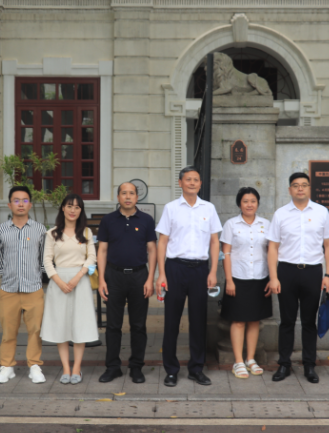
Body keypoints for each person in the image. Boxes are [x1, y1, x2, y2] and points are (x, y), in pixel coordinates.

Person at [155, 166, 223, 387]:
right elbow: (162, 242)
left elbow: (215, 241)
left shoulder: (209, 208)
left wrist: (213, 271)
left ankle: (196, 369)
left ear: (200, 184)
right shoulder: (171, 208)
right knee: (171, 321)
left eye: (196, 179)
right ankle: (171, 370)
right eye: (188, 179)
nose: (192, 183)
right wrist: (161, 274)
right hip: (175, 268)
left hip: (200, 270)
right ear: (180, 183)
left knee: (198, 321)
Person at [266, 172, 329, 384]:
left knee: (309, 321)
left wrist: (328, 274)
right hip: (286, 271)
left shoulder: (322, 212)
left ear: (309, 188)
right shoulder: (280, 214)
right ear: (290, 189)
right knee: (286, 321)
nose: (300, 188)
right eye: (296, 185)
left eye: (304, 185)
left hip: (312, 272)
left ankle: (309, 365)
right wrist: (273, 277)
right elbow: (273, 247)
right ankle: (284, 364)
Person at [96, 182, 158, 384]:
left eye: (132, 193)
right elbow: (102, 251)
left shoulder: (147, 220)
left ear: (137, 197)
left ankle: (136, 367)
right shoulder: (108, 220)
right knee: (113, 325)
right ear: (118, 197)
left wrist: (150, 278)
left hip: (139, 276)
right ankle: (112, 367)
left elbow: (152, 250)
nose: (128, 196)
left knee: (138, 325)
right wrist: (101, 279)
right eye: (124, 193)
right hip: (114, 276)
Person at [41, 193, 99, 385]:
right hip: (58, 282)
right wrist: (58, 281)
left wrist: (77, 277)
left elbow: (92, 258)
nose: (73, 210)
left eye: (77, 207)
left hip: (80, 281)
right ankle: (66, 368)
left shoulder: (86, 233)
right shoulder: (52, 234)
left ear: (81, 210)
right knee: (61, 325)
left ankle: (76, 368)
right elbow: (47, 261)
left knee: (79, 324)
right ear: (63, 208)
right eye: (69, 206)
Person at [0, 186, 47, 384]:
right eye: (16, 200)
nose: (21, 204)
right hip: (9, 289)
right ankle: (7, 366)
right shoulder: (1, 230)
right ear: (10, 205)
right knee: (8, 331)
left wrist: (38, 276)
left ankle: (34, 365)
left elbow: (43, 258)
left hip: (33, 288)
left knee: (35, 330)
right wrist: (5, 276)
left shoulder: (39, 229)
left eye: (25, 200)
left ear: (30, 204)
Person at [220, 187, 273, 379]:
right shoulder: (231, 224)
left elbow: (272, 252)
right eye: (245, 201)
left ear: (257, 203)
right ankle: (238, 361)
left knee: (254, 320)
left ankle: (250, 359)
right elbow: (225, 253)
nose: (249, 204)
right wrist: (229, 280)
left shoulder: (266, 224)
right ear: (239, 204)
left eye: (253, 201)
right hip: (237, 278)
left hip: (260, 277)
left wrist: (272, 278)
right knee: (238, 320)